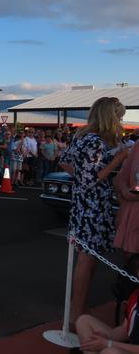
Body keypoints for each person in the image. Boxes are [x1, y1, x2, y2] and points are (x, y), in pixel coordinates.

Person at [59, 96, 128, 322]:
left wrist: (79, 177)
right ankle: (77, 312)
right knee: (87, 259)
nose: (120, 121)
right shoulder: (95, 141)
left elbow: (64, 161)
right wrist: (119, 158)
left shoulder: (82, 137)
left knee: (88, 257)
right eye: (118, 117)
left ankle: (77, 307)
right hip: (92, 206)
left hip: (85, 203)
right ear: (110, 116)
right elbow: (93, 178)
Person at [75, 258, 139, 354]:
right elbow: (125, 328)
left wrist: (108, 343)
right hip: (130, 348)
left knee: (110, 353)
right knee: (84, 321)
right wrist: (107, 337)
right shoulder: (135, 295)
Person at [113, 140, 139, 257]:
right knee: (131, 261)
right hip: (133, 214)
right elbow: (122, 177)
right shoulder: (137, 146)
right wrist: (125, 191)